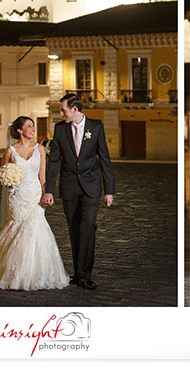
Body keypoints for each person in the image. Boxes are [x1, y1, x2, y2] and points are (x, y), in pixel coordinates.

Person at [0, 116, 69, 290]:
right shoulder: (10, 151)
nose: (33, 129)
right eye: (29, 126)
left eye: (33, 126)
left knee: (35, 228)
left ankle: (36, 273)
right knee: (16, 227)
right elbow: (3, 174)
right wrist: (9, 181)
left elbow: (43, 175)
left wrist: (47, 193)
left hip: (35, 195)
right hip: (17, 197)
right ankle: (11, 272)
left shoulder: (39, 149)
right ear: (19, 130)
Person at [44, 93, 114, 290]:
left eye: (63, 110)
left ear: (74, 109)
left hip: (91, 187)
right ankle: (78, 273)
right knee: (74, 229)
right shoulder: (60, 129)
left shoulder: (96, 127)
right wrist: (49, 190)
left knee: (88, 227)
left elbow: (105, 159)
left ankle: (86, 274)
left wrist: (109, 190)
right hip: (69, 187)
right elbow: (54, 161)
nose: (61, 113)